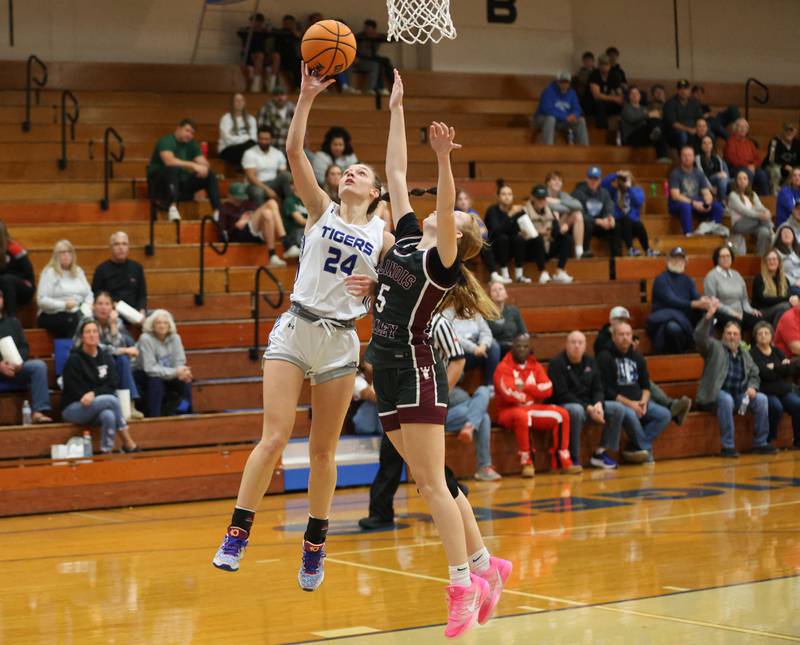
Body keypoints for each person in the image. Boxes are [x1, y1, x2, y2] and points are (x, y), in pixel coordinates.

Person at [211, 64, 393, 597]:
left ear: (378, 193)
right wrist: (306, 97)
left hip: (340, 339)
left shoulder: (382, 235)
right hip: (296, 328)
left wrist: (379, 285)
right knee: (273, 436)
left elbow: (409, 284)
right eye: (349, 169)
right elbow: (294, 154)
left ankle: (315, 544)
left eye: (362, 172)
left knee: (322, 451)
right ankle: (237, 532)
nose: (352, 173)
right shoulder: (322, 209)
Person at [365, 70, 511, 637]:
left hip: (420, 372)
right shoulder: (404, 238)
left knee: (428, 485)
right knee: (437, 479)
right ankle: (485, 565)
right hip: (387, 370)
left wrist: (446, 161)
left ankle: (461, 587)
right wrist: (397, 108)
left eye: (462, 218)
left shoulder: (441, 261)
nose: (453, 214)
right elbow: (397, 172)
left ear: (462, 237)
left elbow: (445, 208)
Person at [694, 303, 775, 457]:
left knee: (762, 399)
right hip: (714, 395)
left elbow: (755, 374)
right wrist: (708, 317)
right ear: (723, 335)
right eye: (729, 333)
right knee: (726, 400)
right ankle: (728, 446)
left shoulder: (745, 354)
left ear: (740, 337)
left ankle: (761, 442)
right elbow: (699, 337)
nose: (732, 336)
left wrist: (752, 387)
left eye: (735, 334)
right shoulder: (714, 348)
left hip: (739, 396)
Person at [494, 334, 579, 475]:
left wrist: (526, 387)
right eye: (518, 346)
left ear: (530, 349)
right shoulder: (503, 367)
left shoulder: (535, 366)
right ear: (512, 348)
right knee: (522, 416)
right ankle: (526, 462)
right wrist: (532, 391)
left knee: (562, 414)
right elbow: (509, 394)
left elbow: (548, 389)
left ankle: (562, 460)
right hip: (508, 411)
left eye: (525, 346)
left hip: (531, 408)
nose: (522, 349)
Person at [596, 306, 692, 425]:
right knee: (642, 385)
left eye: (625, 320)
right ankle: (670, 405)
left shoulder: (627, 336)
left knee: (644, 385)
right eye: (619, 319)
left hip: (629, 374)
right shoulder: (602, 337)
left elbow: (631, 351)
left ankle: (670, 406)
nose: (622, 322)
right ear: (611, 320)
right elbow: (606, 354)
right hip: (613, 376)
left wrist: (631, 348)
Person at [596, 320, 672, 463]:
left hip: (639, 401)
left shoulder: (637, 357)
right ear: (613, 337)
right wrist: (631, 404)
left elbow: (646, 385)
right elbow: (607, 391)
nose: (625, 337)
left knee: (664, 414)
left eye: (628, 334)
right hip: (619, 403)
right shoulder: (604, 357)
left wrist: (643, 401)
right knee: (630, 415)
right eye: (621, 334)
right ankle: (645, 449)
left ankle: (635, 446)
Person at [548, 331, 626, 469]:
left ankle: (600, 453)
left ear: (585, 346)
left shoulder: (591, 362)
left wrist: (598, 405)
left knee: (617, 408)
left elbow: (598, 388)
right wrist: (588, 408)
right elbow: (562, 394)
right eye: (573, 342)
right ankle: (574, 457)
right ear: (566, 344)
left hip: (589, 404)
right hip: (566, 404)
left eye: (580, 343)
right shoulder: (556, 363)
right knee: (576, 410)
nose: (576, 346)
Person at [61, 319, 138, 454]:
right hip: (74, 407)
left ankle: (106, 452)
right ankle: (128, 442)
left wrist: (94, 394)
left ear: (99, 335)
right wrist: (88, 395)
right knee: (112, 400)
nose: (92, 335)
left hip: (97, 404)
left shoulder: (105, 356)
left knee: (108, 415)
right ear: (82, 337)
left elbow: (112, 383)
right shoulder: (74, 359)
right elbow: (71, 388)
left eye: (95, 331)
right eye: (88, 332)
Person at [73, 291, 143, 419]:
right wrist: (123, 350)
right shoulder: (86, 320)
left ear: (112, 307)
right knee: (121, 356)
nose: (103, 307)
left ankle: (129, 405)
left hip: (107, 361)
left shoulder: (116, 321)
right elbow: (97, 347)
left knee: (122, 360)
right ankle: (122, 404)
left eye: (107, 304)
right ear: (93, 306)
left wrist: (113, 326)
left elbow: (119, 344)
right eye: (99, 304)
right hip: (86, 360)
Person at [146, 118, 221, 222]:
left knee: (209, 174)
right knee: (173, 169)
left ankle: (217, 212)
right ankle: (172, 208)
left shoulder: (192, 144)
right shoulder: (166, 140)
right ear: (178, 129)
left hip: (179, 185)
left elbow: (204, 163)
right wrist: (193, 165)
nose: (189, 135)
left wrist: (204, 169)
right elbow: (169, 161)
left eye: (192, 133)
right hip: (160, 185)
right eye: (187, 130)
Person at [647, 247, 713, 354]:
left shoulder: (688, 280)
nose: (678, 261)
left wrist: (705, 301)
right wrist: (694, 304)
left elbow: (696, 296)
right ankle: (679, 358)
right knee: (673, 328)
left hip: (685, 320)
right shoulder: (661, 279)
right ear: (668, 260)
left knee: (708, 315)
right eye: (675, 258)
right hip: (666, 320)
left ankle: (706, 352)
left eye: (681, 259)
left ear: (685, 262)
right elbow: (672, 300)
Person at [0, 290, 52, 423]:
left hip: (17, 367)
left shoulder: (13, 322)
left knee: (39, 366)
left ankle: (39, 411)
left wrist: (20, 363)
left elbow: (24, 346)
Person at [750, 320, 800, 447]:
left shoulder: (777, 351)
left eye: (766, 333)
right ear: (755, 336)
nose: (763, 335)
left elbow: (790, 370)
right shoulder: (753, 353)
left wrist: (774, 367)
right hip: (766, 391)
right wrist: (780, 368)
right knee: (776, 407)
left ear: (771, 336)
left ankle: (798, 440)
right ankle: (769, 439)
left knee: (797, 404)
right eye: (760, 333)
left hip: (782, 391)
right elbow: (764, 374)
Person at [135, 309, 192, 418]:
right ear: (152, 325)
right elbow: (149, 368)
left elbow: (179, 361)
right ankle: (155, 417)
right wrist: (175, 372)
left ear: (169, 325)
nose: (162, 326)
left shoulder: (176, 338)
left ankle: (184, 412)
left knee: (186, 379)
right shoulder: (145, 338)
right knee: (156, 381)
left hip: (168, 373)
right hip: (144, 375)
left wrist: (183, 372)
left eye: (165, 323)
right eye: (158, 323)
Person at [220, 182, 293, 267]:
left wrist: (249, 216)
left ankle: (272, 255)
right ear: (229, 196)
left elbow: (256, 213)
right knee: (271, 202)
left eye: (241, 198)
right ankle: (286, 242)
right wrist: (236, 225)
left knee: (267, 213)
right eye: (237, 198)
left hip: (257, 232)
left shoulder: (247, 203)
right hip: (239, 233)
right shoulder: (224, 208)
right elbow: (222, 232)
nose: (239, 201)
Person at [36, 240, 93, 338]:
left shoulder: (78, 271)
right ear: (56, 256)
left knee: (90, 320)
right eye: (62, 252)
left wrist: (88, 305)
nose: (66, 255)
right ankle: (71, 351)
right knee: (73, 321)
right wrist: (64, 305)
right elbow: (41, 300)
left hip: (78, 310)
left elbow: (89, 294)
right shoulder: (50, 273)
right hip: (53, 313)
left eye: (69, 252)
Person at [703, 245, 762, 332]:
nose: (726, 259)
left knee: (759, 321)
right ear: (717, 259)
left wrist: (750, 310)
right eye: (722, 256)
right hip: (721, 313)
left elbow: (744, 299)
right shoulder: (711, 276)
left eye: (728, 256)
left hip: (739, 311)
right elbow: (712, 302)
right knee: (735, 322)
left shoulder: (736, 275)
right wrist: (731, 312)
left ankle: (754, 346)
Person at [668, 146, 724, 235]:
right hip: (679, 203)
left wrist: (708, 202)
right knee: (685, 207)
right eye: (684, 155)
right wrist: (693, 203)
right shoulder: (675, 174)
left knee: (717, 206)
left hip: (696, 202)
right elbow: (675, 195)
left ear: (694, 158)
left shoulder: (698, 173)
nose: (687, 158)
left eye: (689, 155)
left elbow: (706, 192)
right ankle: (688, 234)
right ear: (680, 158)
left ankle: (713, 232)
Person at [91, 232, 147, 321]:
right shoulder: (101, 269)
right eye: (117, 244)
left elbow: (142, 295)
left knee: (163, 316)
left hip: (135, 311)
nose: (121, 248)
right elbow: (96, 294)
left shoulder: (137, 267)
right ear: (111, 247)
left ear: (128, 247)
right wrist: (111, 305)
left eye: (124, 244)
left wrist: (142, 310)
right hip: (112, 312)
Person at [602, 170, 657, 256]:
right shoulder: (615, 191)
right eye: (622, 179)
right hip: (620, 222)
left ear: (631, 179)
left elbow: (639, 202)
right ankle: (630, 249)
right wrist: (616, 174)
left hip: (633, 223)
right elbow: (603, 184)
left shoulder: (637, 190)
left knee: (639, 225)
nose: (624, 181)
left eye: (626, 178)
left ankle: (647, 249)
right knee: (625, 219)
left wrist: (629, 189)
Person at [484, 183, 530, 284]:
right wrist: (510, 215)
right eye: (504, 194)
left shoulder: (516, 210)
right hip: (495, 247)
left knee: (519, 239)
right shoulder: (492, 210)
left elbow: (524, 231)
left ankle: (519, 275)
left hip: (510, 248)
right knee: (502, 238)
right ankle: (505, 274)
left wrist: (524, 216)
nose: (507, 197)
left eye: (509, 194)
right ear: (498, 197)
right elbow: (496, 231)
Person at [443, 307, 500, 387]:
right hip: (459, 350)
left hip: (477, 348)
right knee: (456, 351)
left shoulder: (474, 311)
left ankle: (490, 385)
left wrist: (483, 345)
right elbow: (453, 337)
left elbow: (486, 332)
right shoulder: (447, 313)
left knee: (494, 346)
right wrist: (474, 348)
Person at [572, 166, 621, 257]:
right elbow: (579, 213)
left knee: (616, 226)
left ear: (600, 180)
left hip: (601, 224)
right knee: (586, 224)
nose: (593, 181)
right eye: (591, 178)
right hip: (587, 224)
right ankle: (584, 253)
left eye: (596, 179)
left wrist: (609, 218)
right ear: (586, 179)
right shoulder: (578, 193)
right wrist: (597, 221)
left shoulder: (604, 193)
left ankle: (616, 258)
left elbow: (609, 207)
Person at [242, 126, 293, 206]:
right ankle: (261, 216)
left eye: (266, 139)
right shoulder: (249, 153)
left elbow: (283, 175)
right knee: (258, 192)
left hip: (273, 183)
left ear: (271, 140)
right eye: (261, 139)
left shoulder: (278, 153)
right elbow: (251, 177)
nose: (263, 141)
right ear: (257, 138)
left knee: (286, 176)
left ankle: (291, 209)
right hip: (255, 185)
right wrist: (267, 190)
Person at [533, 72, 589, 145]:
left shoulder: (572, 93)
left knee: (581, 120)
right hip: (543, 119)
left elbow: (577, 108)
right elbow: (547, 109)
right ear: (557, 82)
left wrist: (574, 115)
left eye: (567, 82)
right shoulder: (548, 91)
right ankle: (548, 148)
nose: (564, 84)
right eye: (562, 82)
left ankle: (584, 148)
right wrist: (565, 116)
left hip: (564, 121)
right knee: (551, 119)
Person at [727, 170, 774, 257]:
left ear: (748, 181)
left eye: (745, 178)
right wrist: (761, 215)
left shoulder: (753, 194)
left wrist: (767, 212)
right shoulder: (733, 195)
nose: (742, 180)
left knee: (764, 232)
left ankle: (760, 257)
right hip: (739, 225)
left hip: (754, 224)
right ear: (736, 181)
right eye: (739, 178)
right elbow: (745, 211)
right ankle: (772, 232)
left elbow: (760, 207)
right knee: (761, 218)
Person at [345, 19, 392, 96]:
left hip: (367, 61)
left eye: (368, 28)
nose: (366, 30)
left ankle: (372, 89)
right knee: (347, 65)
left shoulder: (377, 37)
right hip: (356, 60)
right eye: (365, 28)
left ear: (374, 29)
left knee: (379, 63)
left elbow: (388, 38)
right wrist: (355, 57)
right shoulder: (359, 37)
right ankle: (350, 87)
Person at [620, 86, 668, 160]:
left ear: (640, 96)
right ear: (629, 96)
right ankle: (655, 131)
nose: (635, 95)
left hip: (644, 134)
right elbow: (632, 119)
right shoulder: (626, 108)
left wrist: (654, 115)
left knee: (660, 132)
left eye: (637, 93)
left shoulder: (645, 108)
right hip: (632, 137)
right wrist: (648, 115)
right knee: (653, 120)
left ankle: (663, 158)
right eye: (632, 93)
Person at [545, 171, 585, 258]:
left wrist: (559, 201)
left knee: (578, 214)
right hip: (547, 228)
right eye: (554, 180)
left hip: (560, 226)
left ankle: (579, 253)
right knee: (571, 211)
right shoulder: (543, 195)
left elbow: (579, 205)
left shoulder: (562, 195)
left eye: (560, 180)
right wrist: (567, 206)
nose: (557, 182)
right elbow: (556, 208)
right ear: (548, 182)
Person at [724, 118, 769, 196]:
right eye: (740, 127)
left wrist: (753, 166)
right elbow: (732, 159)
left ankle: (765, 199)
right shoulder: (731, 142)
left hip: (750, 168)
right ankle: (747, 198)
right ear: (735, 129)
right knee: (747, 174)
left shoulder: (750, 143)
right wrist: (747, 166)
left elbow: (758, 158)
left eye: (745, 127)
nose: (742, 129)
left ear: (747, 130)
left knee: (762, 174)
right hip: (735, 169)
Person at [751, 250, 796, 326]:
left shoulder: (784, 279)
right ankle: (776, 335)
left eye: (774, 259)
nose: (772, 262)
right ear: (765, 263)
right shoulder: (759, 278)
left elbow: (789, 295)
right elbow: (764, 300)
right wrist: (788, 298)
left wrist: (794, 298)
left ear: (779, 262)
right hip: (762, 310)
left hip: (779, 309)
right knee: (786, 306)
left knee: (791, 306)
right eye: (769, 260)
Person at [0, 221, 34, 317]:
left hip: (25, 285)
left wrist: (10, 277)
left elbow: (28, 271)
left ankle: (11, 319)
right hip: (5, 286)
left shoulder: (14, 248)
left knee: (5, 280)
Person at [486, 280, 527, 357]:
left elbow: (523, 332)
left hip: (513, 347)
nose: (498, 292)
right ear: (490, 296)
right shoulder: (485, 313)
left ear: (506, 294)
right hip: (495, 349)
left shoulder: (514, 310)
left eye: (500, 289)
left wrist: (521, 342)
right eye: (494, 290)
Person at [237, 13, 275, 93]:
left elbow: (272, 34)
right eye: (254, 21)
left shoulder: (264, 32)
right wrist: (252, 30)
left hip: (262, 56)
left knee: (268, 56)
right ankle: (255, 84)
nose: (256, 24)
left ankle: (267, 84)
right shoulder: (246, 31)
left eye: (258, 22)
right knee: (258, 56)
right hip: (249, 56)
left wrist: (266, 30)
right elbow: (239, 32)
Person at [584, 54, 623, 130]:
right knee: (600, 104)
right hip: (592, 103)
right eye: (602, 64)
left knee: (622, 105)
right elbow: (597, 95)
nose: (604, 67)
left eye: (606, 64)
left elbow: (619, 93)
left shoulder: (614, 75)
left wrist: (620, 99)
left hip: (608, 103)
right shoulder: (594, 75)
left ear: (610, 65)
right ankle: (602, 131)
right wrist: (613, 98)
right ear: (598, 65)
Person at [217, 93, 257, 168]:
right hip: (227, 149)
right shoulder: (226, 118)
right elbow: (228, 140)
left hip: (246, 149)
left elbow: (253, 139)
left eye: (241, 100)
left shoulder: (251, 119)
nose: (239, 102)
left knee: (253, 146)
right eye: (236, 100)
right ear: (232, 103)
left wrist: (245, 141)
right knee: (249, 149)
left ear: (244, 103)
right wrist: (245, 138)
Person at [663, 79, 704, 151]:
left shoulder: (694, 103)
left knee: (709, 134)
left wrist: (699, 128)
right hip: (675, 132)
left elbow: (700, 118)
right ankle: (684, 158)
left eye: (686, 88)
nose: (683, 91)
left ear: (689, 90)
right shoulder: (670, 103)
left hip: (693, 129)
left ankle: (705, 159)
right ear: (677, 90)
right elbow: (673, 123)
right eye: (680, 88)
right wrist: (689, 130)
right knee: (682, 135)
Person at [763, 123, 800, 193]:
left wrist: (794, 168)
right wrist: (784, 166)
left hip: (792, 168)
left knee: (797, 172)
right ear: (782, 131)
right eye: (786, 130)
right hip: (775, 166)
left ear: (795, 132)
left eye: (791, 131)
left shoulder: (797, 143)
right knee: (775, 171)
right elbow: (771, 159)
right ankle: (775, 196)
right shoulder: (774, 142)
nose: (789, 133)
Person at [256, 86, 296, 151]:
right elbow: (263, 131)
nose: (280, 97)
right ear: (272, 97)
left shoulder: (293, 108)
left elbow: (302, 129)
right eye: (277, 95)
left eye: (282, 94)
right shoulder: (266, 109)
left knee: (310, 157)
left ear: (286, 96)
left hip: (292, 146)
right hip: (273, 147)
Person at [696, 135, 730, 201]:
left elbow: (721, 173)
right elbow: (701, 175)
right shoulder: (698, 158)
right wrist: (710, 187)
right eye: (704, 143)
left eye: (709, 143)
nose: (707, 145)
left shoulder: (717, 157)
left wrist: (720, 176)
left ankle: (722, 200)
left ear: (712, 145)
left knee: (731, 180)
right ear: (701, 145)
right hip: (705, 182)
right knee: (723, 180)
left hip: (718, 181)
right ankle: (723, 201)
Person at [272, 15, 302, 90]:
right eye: (286, 23)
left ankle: (298, 87)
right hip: (281, 58)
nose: (288, 25)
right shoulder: (280, 33)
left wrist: (296, 33)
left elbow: (301, 43)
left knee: (297, 66)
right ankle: (272, 85)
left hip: (294, 58)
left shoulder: (296, 34)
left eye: (290, 23)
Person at [773, 224, 800, 294]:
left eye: (789, 232)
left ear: (793, 236)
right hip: (788, 284)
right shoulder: (775, 252)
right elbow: (777, 273)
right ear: (779, 237)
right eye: (784, 233)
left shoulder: (798, 250)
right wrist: (794, 282)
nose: (787, 234)